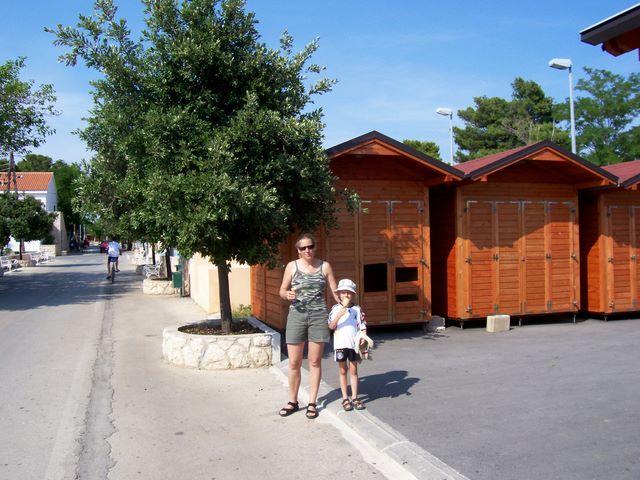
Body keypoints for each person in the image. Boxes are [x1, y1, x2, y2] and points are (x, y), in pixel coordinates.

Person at [278, 233, 338, 419]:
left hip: (318, 316)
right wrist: (286, 294)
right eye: (303, 248)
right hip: (297, 316)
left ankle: (312, 402)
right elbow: (282, 290)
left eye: (310, 246)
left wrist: (348, 306)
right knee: (294, 362)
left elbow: (335, 292)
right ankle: (293, 401)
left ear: (315, 247)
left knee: (314, 361)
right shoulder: (292, 266)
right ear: (298, 250)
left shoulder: (324, 266)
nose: (307, 250)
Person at [328, 279, 367, 411]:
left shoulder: (357, 309)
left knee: (354, 370)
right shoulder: (335, 309)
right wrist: (339, 315)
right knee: (343, 370)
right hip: (340, 344)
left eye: (349, 293)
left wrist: (363, 337)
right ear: (339, 294)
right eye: (343, 292)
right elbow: (331, 326)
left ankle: (354, 397)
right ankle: (345, 397)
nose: (346, 295)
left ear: (353, 295)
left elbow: (362, 326)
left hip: (353, 344)